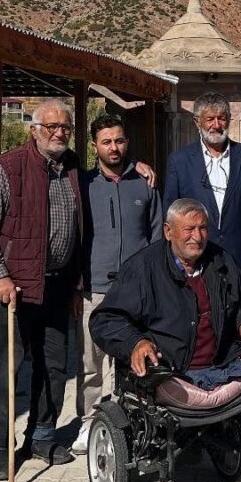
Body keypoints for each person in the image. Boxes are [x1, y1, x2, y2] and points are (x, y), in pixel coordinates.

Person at [0, 98, 82, 479]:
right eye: (51, 126)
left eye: (65, 127)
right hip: (11, 291)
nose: (59, 133)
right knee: (6, 371)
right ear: (34, 130)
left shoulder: (71, 168)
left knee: (53, 365)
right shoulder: (8, 168)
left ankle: (43, 436)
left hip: (56, 286)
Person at [90, 199, 241, 402]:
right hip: (170, 374)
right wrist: (136, 342)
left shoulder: (221, 260)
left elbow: (240, 303)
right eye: (189, 229)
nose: (197, 237)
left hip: (220, 368)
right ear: (168, 232)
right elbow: (105, 319)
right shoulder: (142, 269)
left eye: (202, 228)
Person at [71, 113, 163, 455]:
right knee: (90, 361)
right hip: (93, 287)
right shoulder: (82, 185)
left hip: (136, 292)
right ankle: (89, 422)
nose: (114, 147)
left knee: (133, 359)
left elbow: (157, 237)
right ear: (94, 145)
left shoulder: (145, 183)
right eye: (106, 141)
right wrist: (76, 286)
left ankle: (133, 420)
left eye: (120, 140)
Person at [163, 92, 241, 290]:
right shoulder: (179, 161)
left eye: (221, 118)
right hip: (195, 260)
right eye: (209, 119)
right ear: (197, 122)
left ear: (229, 120)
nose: (216, 125)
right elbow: (170, 213)